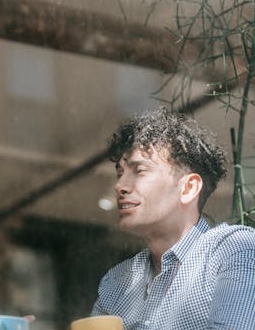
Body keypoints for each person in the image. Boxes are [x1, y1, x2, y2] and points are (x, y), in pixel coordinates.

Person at [91, 108, 255, 329]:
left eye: (139, 171)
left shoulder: (234, 251)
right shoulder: (116, 282)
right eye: (120, 173)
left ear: (188, 188)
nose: (119, 186)